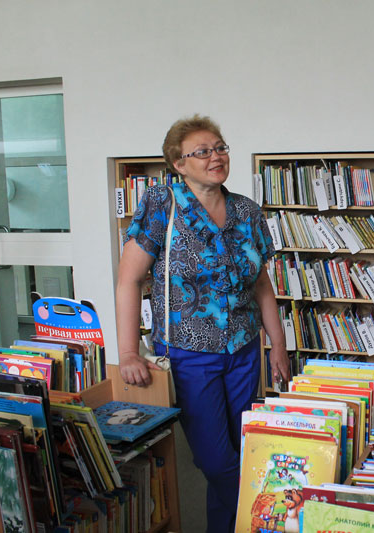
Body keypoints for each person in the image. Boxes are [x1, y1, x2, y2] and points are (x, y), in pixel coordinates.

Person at [115, 114, 290, 532]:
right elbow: (128, 280)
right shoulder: (162, 204)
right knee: (216, 460)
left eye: (220, 147)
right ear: (179, 164)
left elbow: (261, 283)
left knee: (243, 451)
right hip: (188, 355)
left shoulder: (247, 211)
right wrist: (127, 352)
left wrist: (278, 346)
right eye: (203, 151)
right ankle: (270, 518)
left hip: (244, 351)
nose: (216, 156)